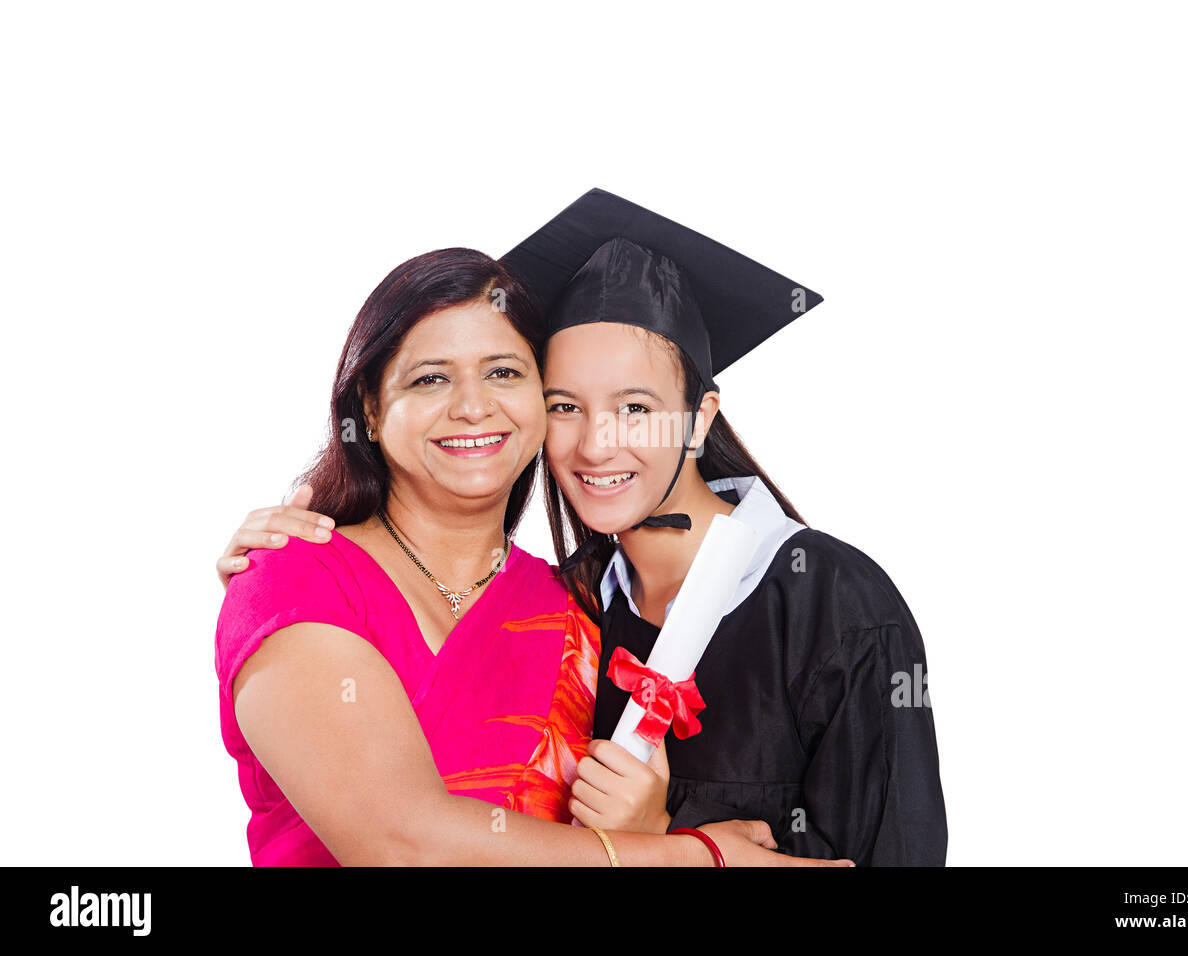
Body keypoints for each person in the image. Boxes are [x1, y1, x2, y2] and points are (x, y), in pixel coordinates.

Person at [223, 189, 946, 865]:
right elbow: (405, 838)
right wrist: (686, 852)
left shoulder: (827, 606)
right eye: (566, 405)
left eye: (635, 408)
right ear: (371, 411)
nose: (597, 445)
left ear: (700, 420)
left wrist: (661, 827)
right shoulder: (583, 603)